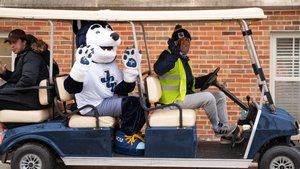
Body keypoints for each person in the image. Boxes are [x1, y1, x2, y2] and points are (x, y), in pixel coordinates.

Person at [154, 25, 237, 143]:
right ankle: (217, 127)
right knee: (208, 97)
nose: (185, 44)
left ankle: (225, 132)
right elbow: (159, 69)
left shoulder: (184, 59)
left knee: (219, 96)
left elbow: (191, 83)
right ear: (174, 43)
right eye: (181, 42)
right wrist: (173, 53)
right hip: (172, 102)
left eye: (187, 41)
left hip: (183, 97)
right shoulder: (168, 55)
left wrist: (207, 79)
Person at [0, 29, 49, 110]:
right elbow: (17, 78)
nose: (12, 46)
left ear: (24, 42)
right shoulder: (23, 56)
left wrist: (8, 90)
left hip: (31, 99)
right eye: (10, 43)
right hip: (26, 96)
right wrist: (5, 73)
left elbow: (27, 80)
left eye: (15, 42)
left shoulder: (31, 57)